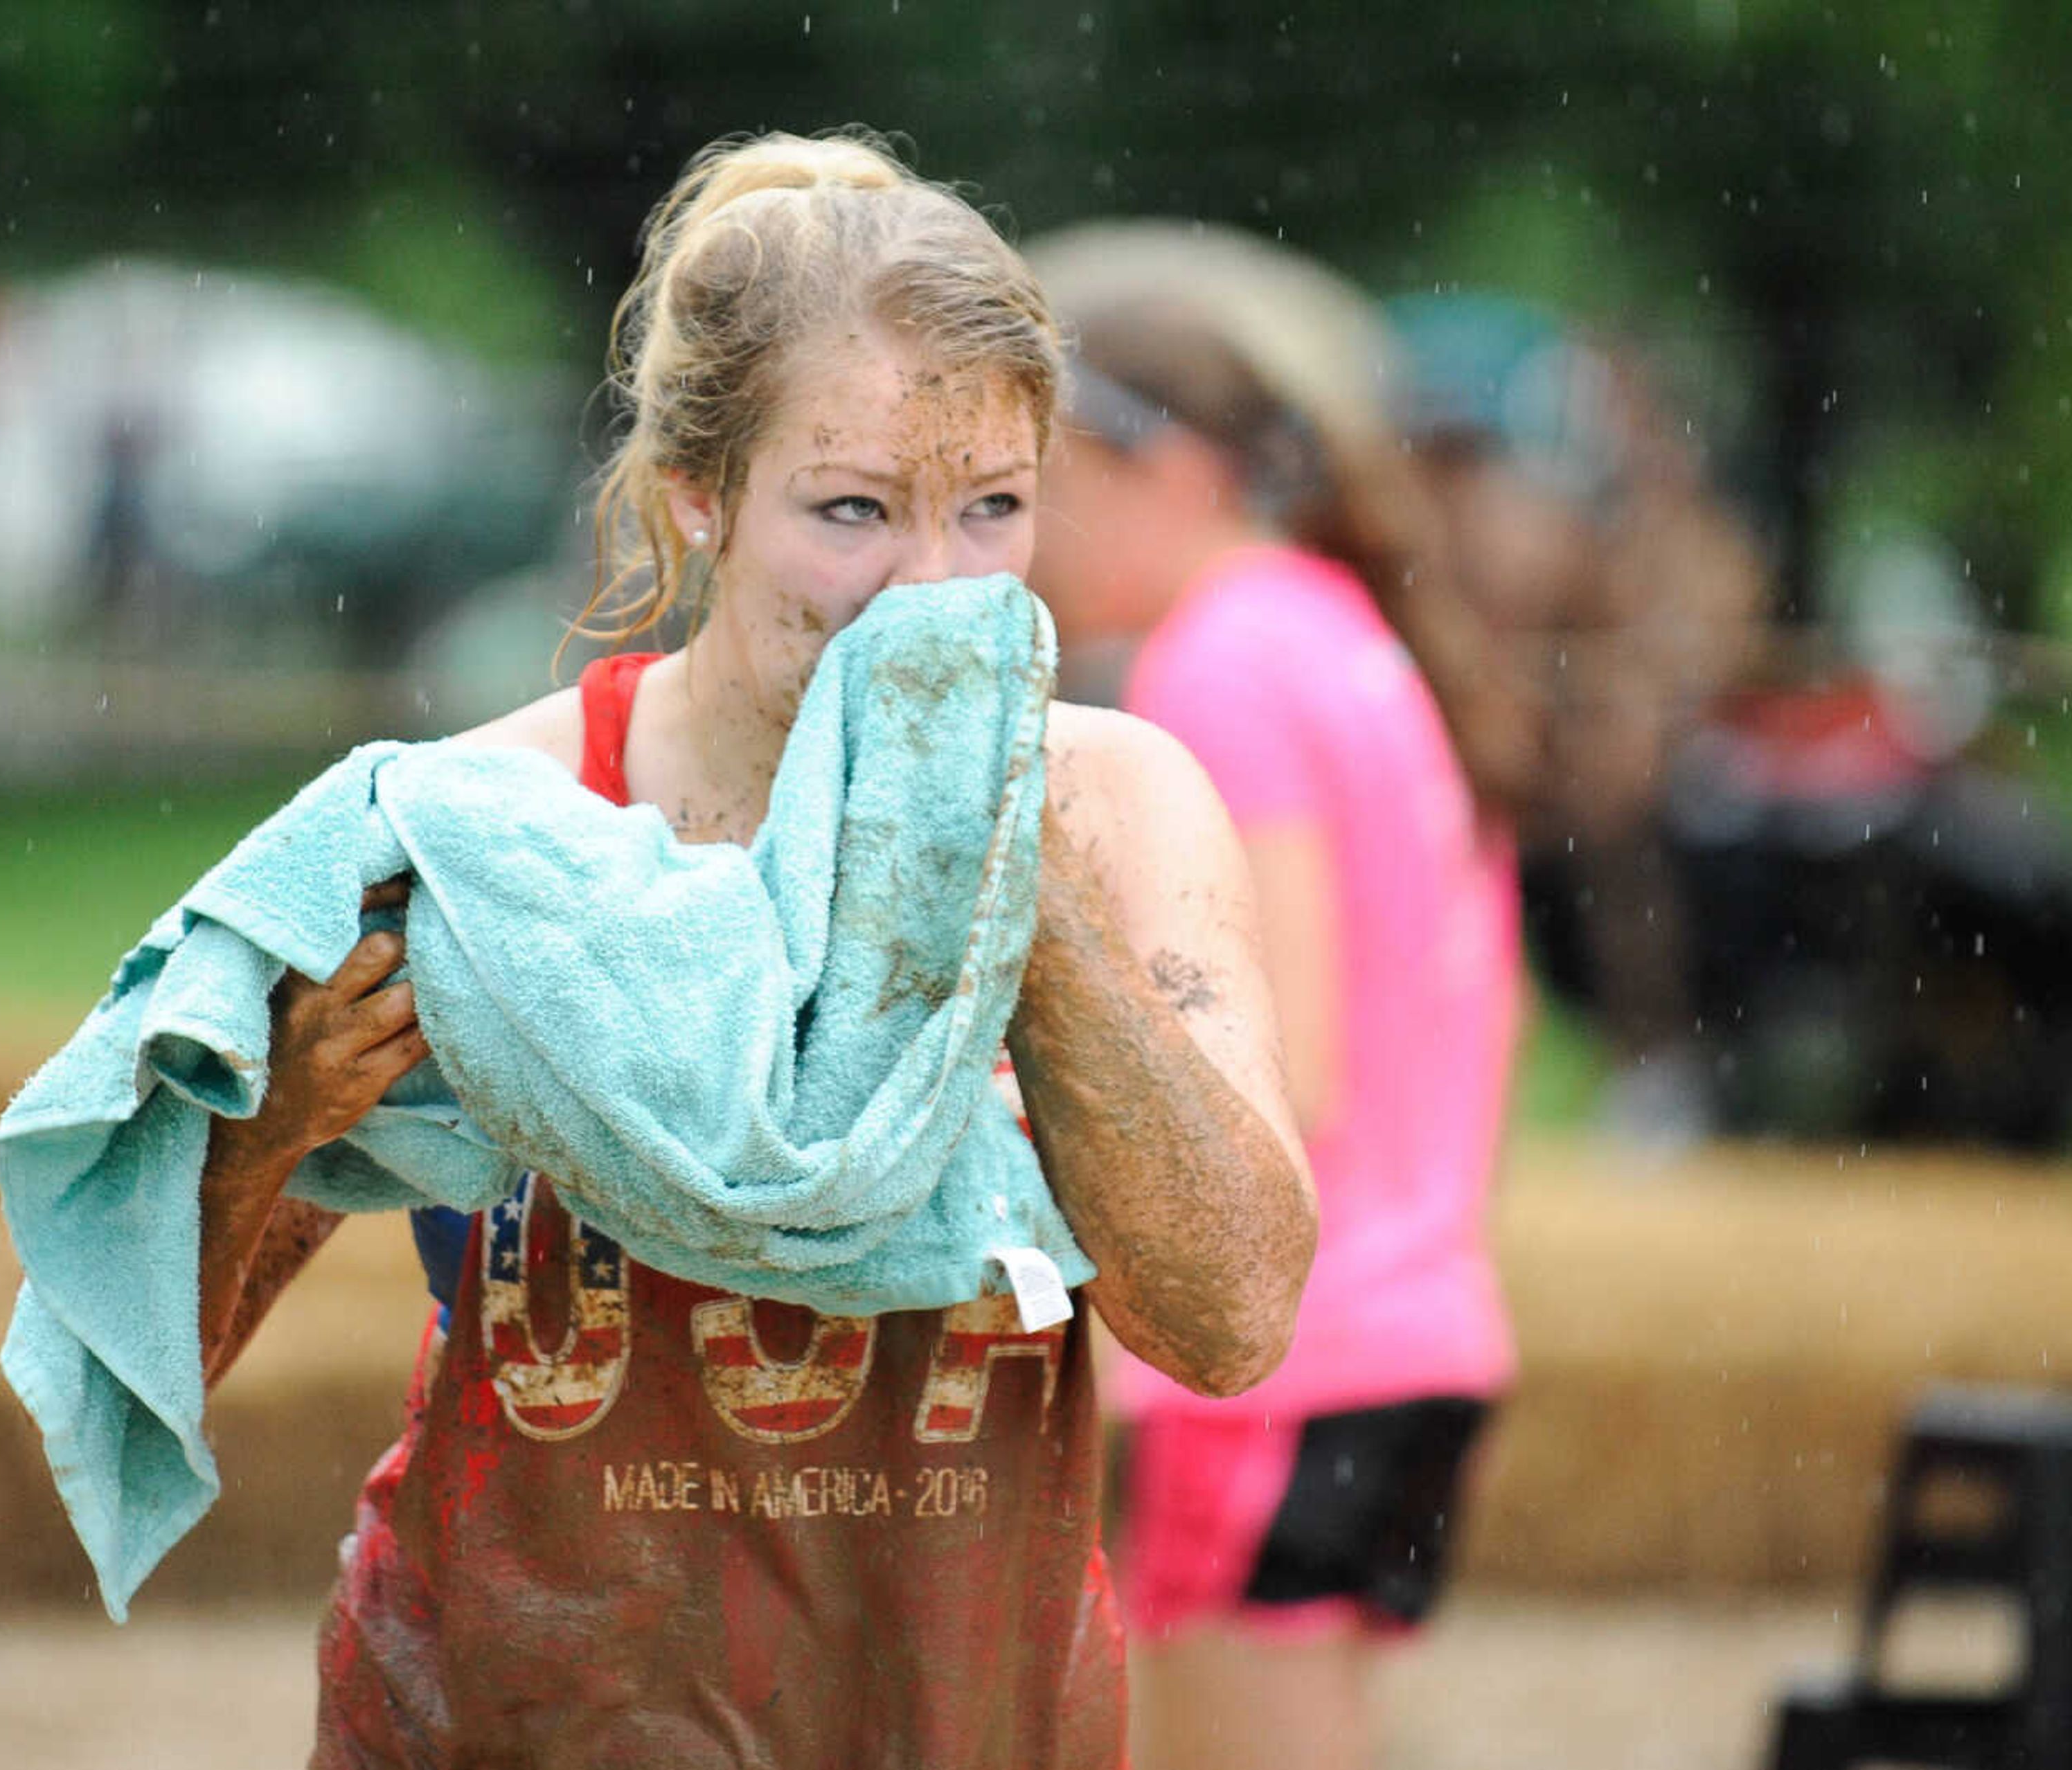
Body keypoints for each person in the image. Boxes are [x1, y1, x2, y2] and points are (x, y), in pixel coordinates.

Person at [190, 131, 1316, 1768]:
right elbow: (148, 1353)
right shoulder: (500, 820)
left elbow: (1232, 1320)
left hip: (954, 1719)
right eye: (852, 510)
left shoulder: (1114, 806)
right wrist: (270, 1129)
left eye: (991, 510)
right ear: (697, 496)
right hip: (509, 1721)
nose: (929, 591)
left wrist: (1039, 916)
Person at [1026, 264, 1525, 1770]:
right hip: (1419, 1326)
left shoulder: (1224, 664)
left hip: (1290, 1356)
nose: (1026, 535)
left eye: (1046, 487)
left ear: (1164, 468)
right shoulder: (1340, 635)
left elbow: (1277, 1061)